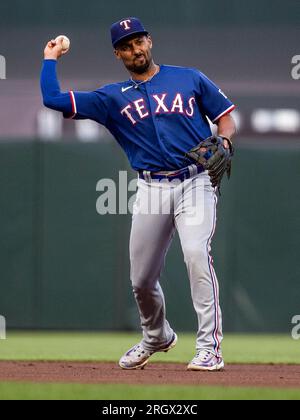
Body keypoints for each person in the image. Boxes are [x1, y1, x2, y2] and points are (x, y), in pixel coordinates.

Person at [40, 17, 236, 371]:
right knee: (142, 280)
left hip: (196, 181)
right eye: (126, 46)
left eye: (139, 41)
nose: (135, 50)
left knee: (195, 254)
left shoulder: (188, 77)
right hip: (150, 188)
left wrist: (224, 139)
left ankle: (209, 348)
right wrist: (50, 58)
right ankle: (156, 335)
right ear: (118, 54)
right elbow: (52, 99)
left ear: (150, 40)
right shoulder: (111, 98)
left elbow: (225, 118)